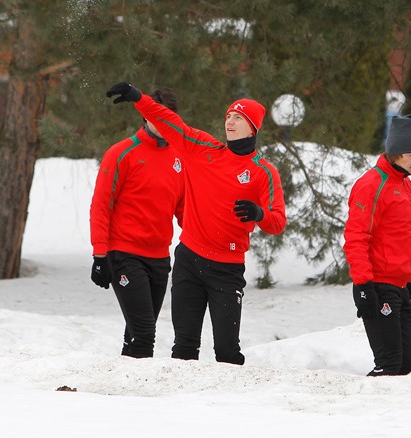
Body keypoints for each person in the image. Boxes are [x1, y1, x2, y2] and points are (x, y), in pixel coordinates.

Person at [106, 81, 286, 365]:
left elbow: (277, 222)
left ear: (253, 127)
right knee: (184, 348)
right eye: (228, 115)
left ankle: (228, 406)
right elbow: (170, 122)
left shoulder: (264, 172)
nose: (230, 121)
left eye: (238, 117)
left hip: (226, 269)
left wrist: (258, 214)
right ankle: (182, 408)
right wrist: (137, 97)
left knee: (227, 351)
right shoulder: (203, 149)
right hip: (189, 261)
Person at [89, 88, 185, 359]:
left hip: (159, 258)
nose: (163, 123)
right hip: (125, 255)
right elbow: (100, 207)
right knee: (145, 333)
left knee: (138, 332)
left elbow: (183, 209)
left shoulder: (179, 158)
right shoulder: (122, 154)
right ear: (145, 116)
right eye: (157, 116)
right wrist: (100, 254)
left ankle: (125, 389)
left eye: (169, 118)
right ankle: (138, 398)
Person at [343, 114, 411, 377]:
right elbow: (356, 237)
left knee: (403, 366)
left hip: (399, 286)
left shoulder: (405, 184)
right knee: (389, 365)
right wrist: (364, 285)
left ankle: (389, 418)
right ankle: (361, 410)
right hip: (377, 285)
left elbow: (402, 235)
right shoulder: (371, 185)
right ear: (397, 152)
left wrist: (408, 278)